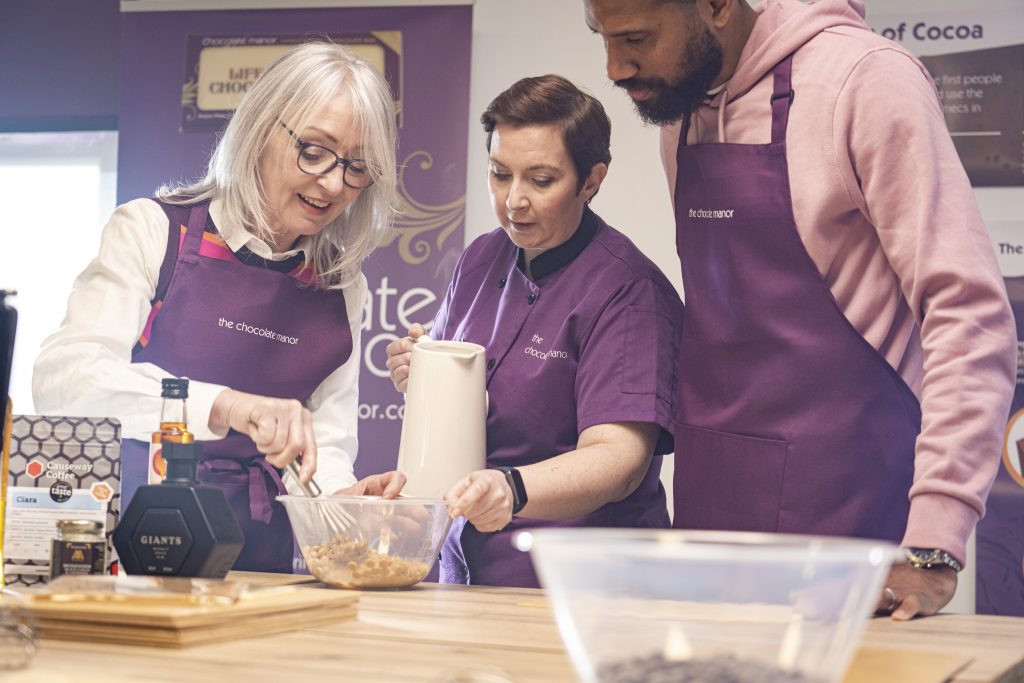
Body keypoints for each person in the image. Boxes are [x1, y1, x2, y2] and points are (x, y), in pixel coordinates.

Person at [583, 0, 1016, 619]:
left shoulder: (865, 82)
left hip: (851, 525)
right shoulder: (682, 116)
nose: (614, 67)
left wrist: (933, 543)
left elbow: (968, 316)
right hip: (712, 522)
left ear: (717, 7)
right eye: (602, 37)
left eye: (637, 38)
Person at [33, 42, 406, 573]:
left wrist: (345, 505)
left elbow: (326, 445)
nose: (333, 183)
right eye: (315, 151)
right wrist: (228, 406)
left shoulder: (341, 285)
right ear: (259, 128)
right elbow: (64, 380)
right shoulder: (152, 231)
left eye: (357, 167)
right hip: (134, 553)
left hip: (260, 559)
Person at [385, 75, 683, 588]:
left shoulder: (630, 291)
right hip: (471, 571)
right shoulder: (481, 257)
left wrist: (512, 489)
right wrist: (423, 371)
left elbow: (620, 460)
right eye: (500, 174)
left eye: (540, 180)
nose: (514, 201)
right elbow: (475, 399)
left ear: (591, 181)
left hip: (588, 584)